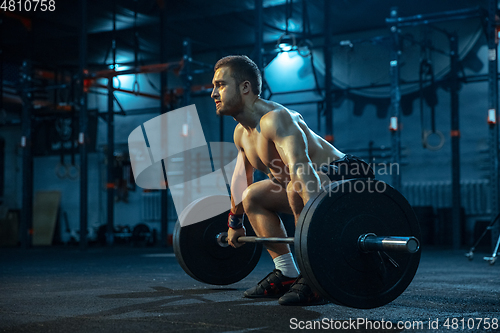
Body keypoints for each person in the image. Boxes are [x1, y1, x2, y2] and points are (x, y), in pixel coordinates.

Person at [211, 55, 374, 306]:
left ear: (245, 87)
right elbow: (241, 178)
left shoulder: (277, 119)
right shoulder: (241, 133)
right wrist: (235, 221)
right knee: (252, 196)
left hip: (349, 175)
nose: (213, 93)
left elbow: (302, 169)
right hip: (303, 187)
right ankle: (286, 271)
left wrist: (312, 231)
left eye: (220, 85)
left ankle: (319, 274)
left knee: (295, 185)